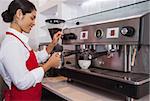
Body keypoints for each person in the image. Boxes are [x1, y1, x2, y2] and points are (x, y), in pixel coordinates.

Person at [0, 0, 62, 100]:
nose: (34, 23)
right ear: (19, 14)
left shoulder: (17, 40)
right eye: (32, 18)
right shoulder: (11, 44)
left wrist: (52, 44)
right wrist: (48, 65)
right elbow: (22, 82)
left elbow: (33, 58)